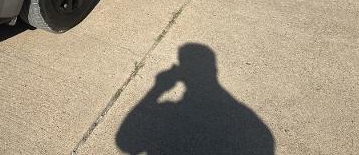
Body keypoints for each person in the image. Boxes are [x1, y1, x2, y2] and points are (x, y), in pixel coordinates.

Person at [116, 43, 275, 154]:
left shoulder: (169, 111)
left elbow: (124, 143)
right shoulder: (257, 129)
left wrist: (157, 89)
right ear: (214, 69)